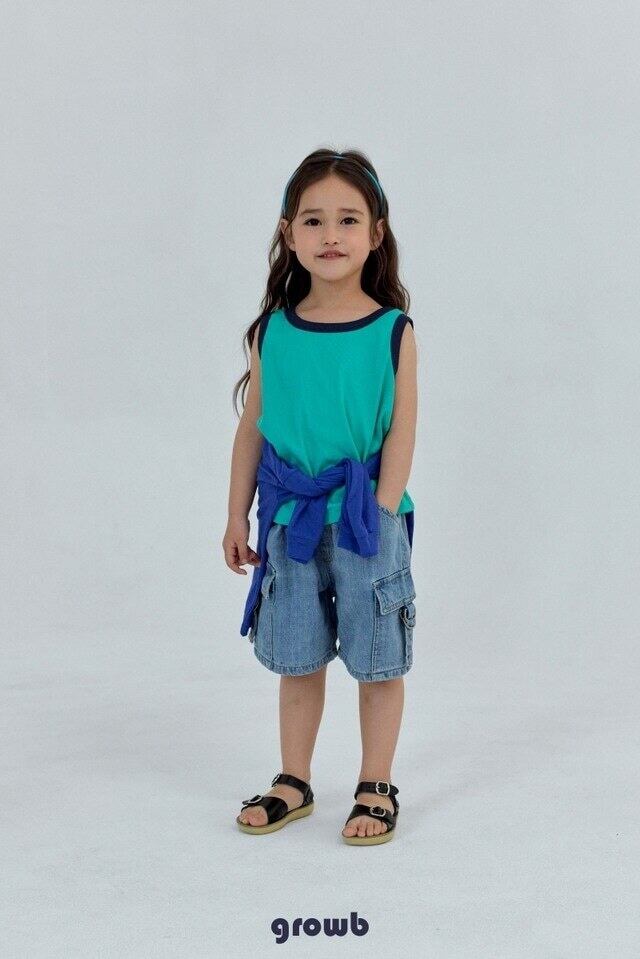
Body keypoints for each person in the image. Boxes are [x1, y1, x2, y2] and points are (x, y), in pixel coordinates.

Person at [224, 148, 418, 846]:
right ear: (288, 233)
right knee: (297, 655)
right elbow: (253, 427)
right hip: (289, 521)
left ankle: (376, 783)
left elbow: (402, 428)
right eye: (313, 220)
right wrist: (236, 515)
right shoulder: (273, 331)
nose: (330, 235)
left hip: (367, 522)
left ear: (376, 232)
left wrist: (383, 510)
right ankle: (294, 779)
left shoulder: (392, 330)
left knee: (377, 657)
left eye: (347, 219)